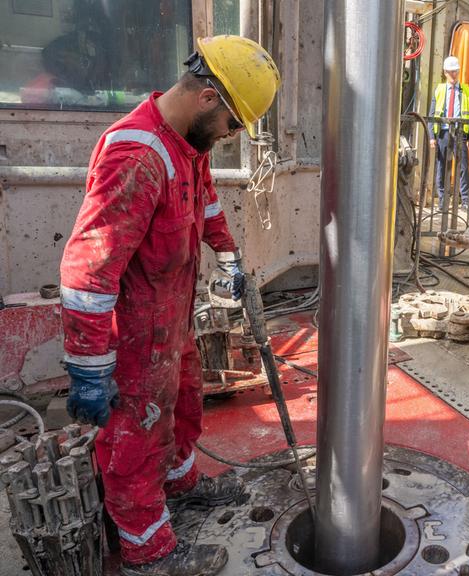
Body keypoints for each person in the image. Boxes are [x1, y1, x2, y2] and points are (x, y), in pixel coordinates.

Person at [59, 35, 280, 576]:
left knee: (183, 407)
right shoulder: (137, 153)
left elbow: (204, 204)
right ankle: (147, 549)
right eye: (233, 124)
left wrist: (227, 255)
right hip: (135, 335)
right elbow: (89, 268)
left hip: (172, 320)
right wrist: (89, 368)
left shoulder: (186, 146)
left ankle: (180, 485)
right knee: (136, 435)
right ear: (209, 99)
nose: (230, 137)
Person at [429, 55, 469, 211]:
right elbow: (432, 113)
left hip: (460, 132)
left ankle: (465, 201)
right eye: (450, 72)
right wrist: (431, 136)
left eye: (455, 71)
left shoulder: (466, 90)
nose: (453, 75)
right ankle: (443, 201)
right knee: (442, 167)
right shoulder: (440, 89)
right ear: (445, 72)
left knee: (463, 167)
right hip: (443, 132)